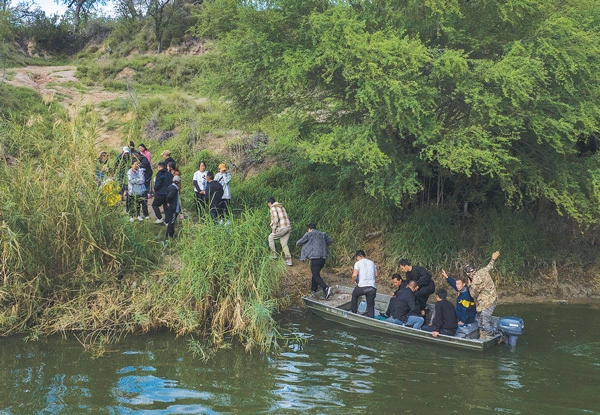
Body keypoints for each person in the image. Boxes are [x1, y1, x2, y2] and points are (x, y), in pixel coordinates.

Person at [465, 251, 501, 339]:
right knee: (480, 319)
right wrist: (493, 258)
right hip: (493, 299)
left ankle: (493, 335)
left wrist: (470, 284)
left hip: (487, 303)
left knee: (484, 321)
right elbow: (489, 266)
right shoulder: (482, 271)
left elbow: (472, 294)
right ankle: (483, 335)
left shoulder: (475, 283)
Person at [296, 223, 334, 299]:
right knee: (315, 273)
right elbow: (330, 240)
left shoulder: (309, 234)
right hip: (323, 258)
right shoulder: (323, 234)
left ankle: (326, 288)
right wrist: (322, 245)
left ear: (309, 229)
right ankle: (314, 289)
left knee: (316, 275)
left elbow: (299, 242)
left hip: (315, 258)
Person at [350, 250, 377, 318]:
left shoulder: (358, 263)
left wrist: (354, 280)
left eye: (357, 257)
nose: (357, 259)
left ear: (359, 256)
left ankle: (353, 313)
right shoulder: (372, 263)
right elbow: (376, 274)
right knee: (370, 305)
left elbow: (354, 275)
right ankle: (371, 319)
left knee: (354, 295)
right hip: (372, 287)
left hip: (362, 287)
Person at [267, 197, 292, 266]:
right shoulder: (281, 207)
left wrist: (273, 229)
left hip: (282, 227)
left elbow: (275, 218)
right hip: (288, 227)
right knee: (284, 243)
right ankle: (289, 260)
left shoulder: (273, 208)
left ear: (270, 203)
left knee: (270, 237)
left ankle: (273, 254)